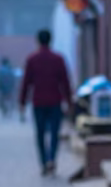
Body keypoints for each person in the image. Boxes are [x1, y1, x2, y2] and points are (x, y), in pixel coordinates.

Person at [19, 29, 73, 176]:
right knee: (55, 132)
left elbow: (26, 83)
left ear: (38, 41)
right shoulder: (58, 59)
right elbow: (65, 82)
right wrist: (69, 101)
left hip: (38, 102)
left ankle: (43, 162)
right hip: (55, 101)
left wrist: (22, 103)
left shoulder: (32, 59)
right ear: (51, 40)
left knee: (40, 133)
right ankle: (52, 159)